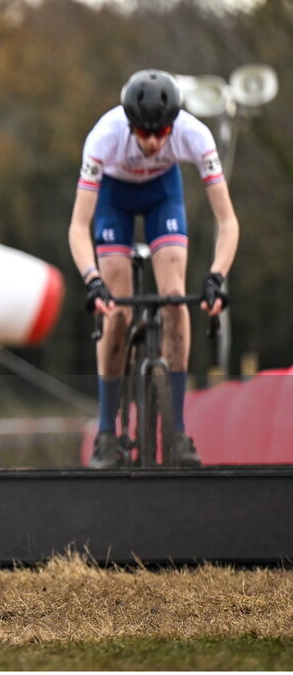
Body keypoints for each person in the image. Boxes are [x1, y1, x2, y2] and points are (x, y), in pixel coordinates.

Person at [68, 69, 238, 468]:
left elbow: (227, 221)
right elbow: (78, 225)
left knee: (176, 301)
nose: (151, 141)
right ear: (128, 124)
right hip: (114, 198)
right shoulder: (104, 137)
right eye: (142, 132)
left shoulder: (195, 135)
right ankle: (107, 432)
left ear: (173, 124)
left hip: (165, 195)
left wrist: (216, 277)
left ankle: (177, 431)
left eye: (160, 132)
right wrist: (93, 281)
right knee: (117, 309)